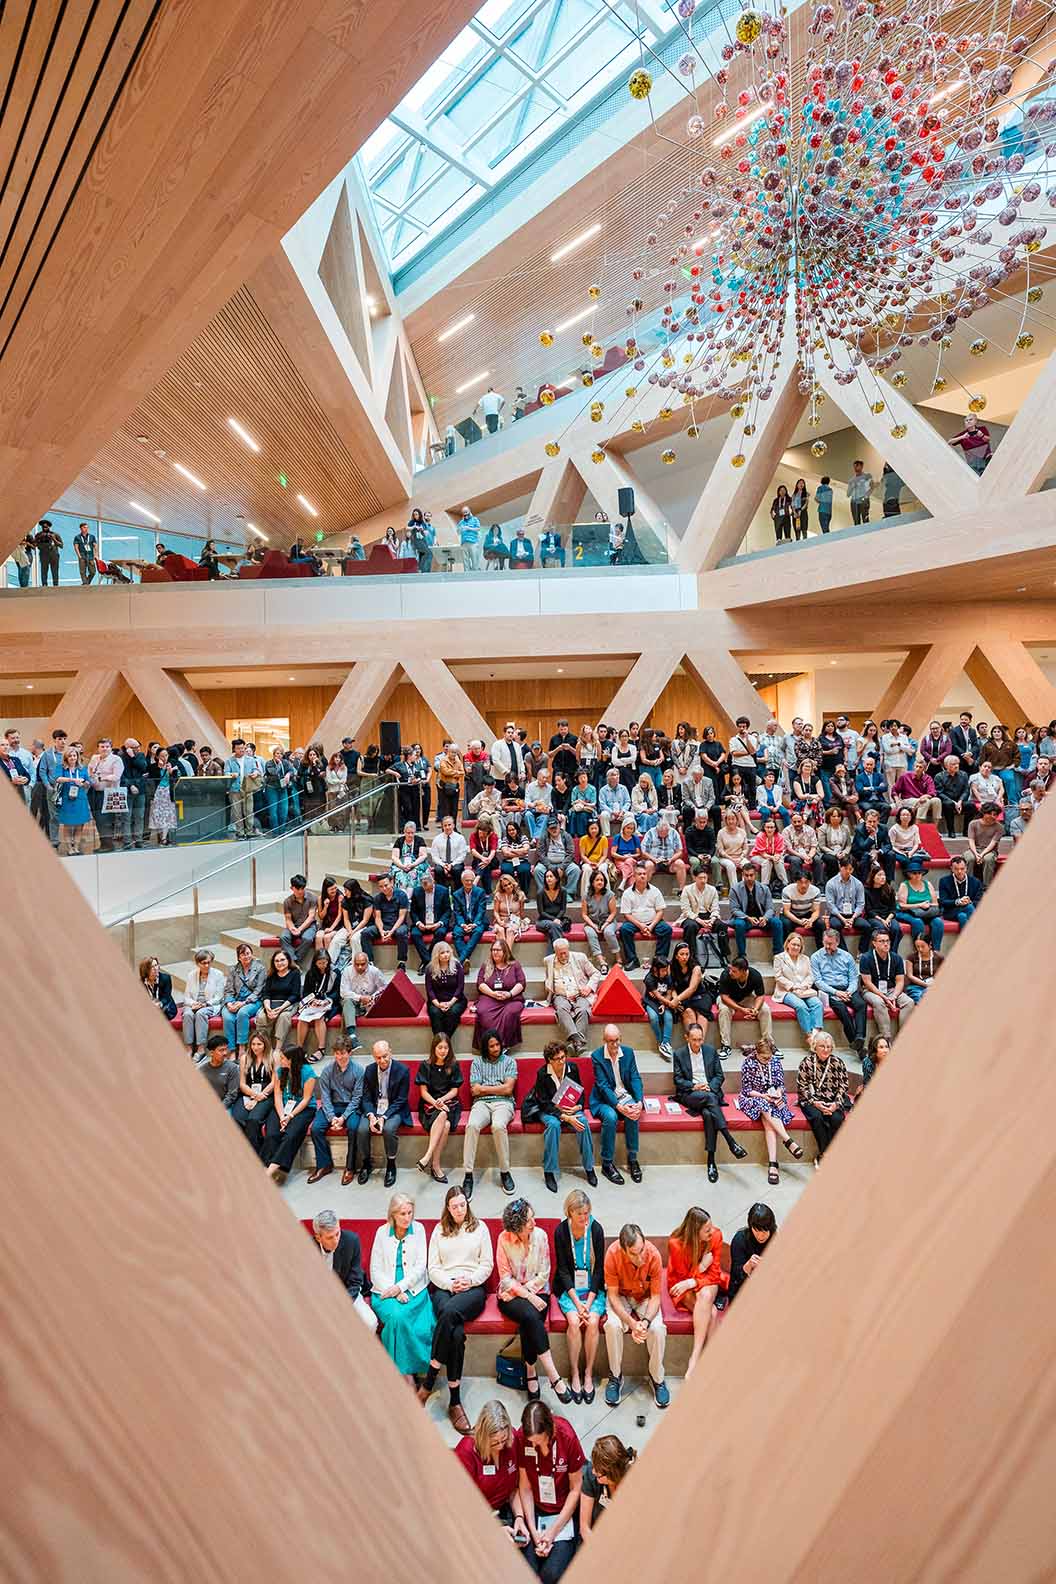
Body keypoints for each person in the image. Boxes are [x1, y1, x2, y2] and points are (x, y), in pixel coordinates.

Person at [420, 1185, 494, 1431]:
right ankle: (455, 1401)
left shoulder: (480, 1228)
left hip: (473, 1289)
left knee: (450, 1313)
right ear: (447, 1208)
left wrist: (469, 1281)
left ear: (467, 1204)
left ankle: (429, 1380)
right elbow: (433, 1267)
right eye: (454, 1206)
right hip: (444, 1287)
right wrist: (450, 1284)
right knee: (456, 1333)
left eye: (463, 1205)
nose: (460, 1210)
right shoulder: (440, 1230)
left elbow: (487, 1264)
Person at [496, 1201, 573, 1404]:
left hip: (538, 1290)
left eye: (533, 1217)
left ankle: (531, 1370)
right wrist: (526, 1295)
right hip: (511, 1296)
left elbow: (544, 1273)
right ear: (518, 1225)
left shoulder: (540, 1235)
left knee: (528, 1320)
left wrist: (524, 1291)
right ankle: (553, 1376)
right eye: (529, 1220)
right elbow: (504, 1278)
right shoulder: (503, 1239)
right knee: (530, 1315)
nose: (534, 1222)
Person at [603, 1223, 669, 1408]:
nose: (640, 1257)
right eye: (634, 1253)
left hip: (645, 1298)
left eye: (641, 1250)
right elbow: (613, 1296)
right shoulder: (612, 1254)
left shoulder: (654, 1255)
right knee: (612, 1326)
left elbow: (656, 1297)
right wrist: (632, 1324)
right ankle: (615, 1376)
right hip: (621, 1297)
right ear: (623, 1250)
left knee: (658, 1329)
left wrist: (645, 1322)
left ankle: (657, 1378)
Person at [516, 1400, 583, 1581]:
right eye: (532, 1443)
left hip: (563, 1515)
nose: (535, 1446)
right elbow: (525, 1487)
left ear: (550, 1429)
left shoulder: (566, 1436)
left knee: (551, 1575)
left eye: (539, 1441)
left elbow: (576, 1488)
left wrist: (553, 1532)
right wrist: (533, 1531)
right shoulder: (522, 1438)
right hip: (536, 1512)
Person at [672, 1021, 747, 1181]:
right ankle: (730, 1139)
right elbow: (678, 1080)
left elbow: (720, 1076)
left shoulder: (710, 1051)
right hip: (691, 1094)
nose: (698, 1043)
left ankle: (711, 1161)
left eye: (700, 1039)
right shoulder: (679, 1054)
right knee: (710, 1099)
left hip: (709, 1093)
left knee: (708, 1114)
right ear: (687, 1038)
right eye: (694, 1040)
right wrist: (694, 1086)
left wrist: (709, 1087)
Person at [370, 1193, 433, 1379]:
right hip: (384, 1289)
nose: (407, 1218)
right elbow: (375, 1269)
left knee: (408, 1320)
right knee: (396, 1316)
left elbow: (421, 1266)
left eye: (410, 1213)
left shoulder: (419, 1229)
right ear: (393, 1215)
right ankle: (404, 1376)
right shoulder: (381, 1232)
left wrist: (401, 1287)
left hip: (414, 1288)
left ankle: (407, 1371)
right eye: (402, 1214)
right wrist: (393, 1290)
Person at [524, 1039, 596, 1193]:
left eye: (564, 1057)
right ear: (549, 1060)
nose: (562, 1061)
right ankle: (549, 1171)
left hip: (571, 1107)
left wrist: (579, 1106)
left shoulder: (573, 1068)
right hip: (549, 1110)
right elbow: (544, 1103)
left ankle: (589, 1168)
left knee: (583, 1122)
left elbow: (580, 1091)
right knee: (554, 1125)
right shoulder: (542, 1074)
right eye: (558, 1059)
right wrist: (565, 1116)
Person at [553, 1190, 606, 1403]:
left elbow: (599, 1269)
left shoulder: (596, 1229)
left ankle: (588, 1374)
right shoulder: (561, 1231)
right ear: (569, 1213)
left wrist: (589, 1303)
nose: (584, 1218)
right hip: (570, 1290)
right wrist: (577, 1303)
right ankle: (574, 1372)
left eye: (587, 1213)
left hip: (593, 1289)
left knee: (593, 1322)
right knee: (574, 1322)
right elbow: (563, 1271)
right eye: (580, 1214)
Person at [454, 1400, 529, 1538]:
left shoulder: (512, 1441)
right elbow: (461, 1504)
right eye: (494, 1442)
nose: (500, 1446)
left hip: (504, 1511)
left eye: (503, 1439)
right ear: (483, 1436)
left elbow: (513, 1490)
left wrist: (519, 1517)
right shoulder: (465, 1452)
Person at [667, 1205, 726, 1375]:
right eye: (706, 1230)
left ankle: (695, 1357)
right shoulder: (676, 1244)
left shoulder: (716, 1236)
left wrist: (694, 1279)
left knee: (706, 1294)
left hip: (707, 1281)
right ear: (695, 1231)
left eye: (711, 1227)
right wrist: (700, 1267)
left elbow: (714, 1274)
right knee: (712, 1313)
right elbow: (682, 1278)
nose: (711, 1232)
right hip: (681, 1284)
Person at [738, 1037, 803, 1186]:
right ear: (756, 1053)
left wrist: (778, 1093)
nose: (767, 1060)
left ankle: (773, 1163)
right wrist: (763, 1096)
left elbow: (780, 1084)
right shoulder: (748, 1062)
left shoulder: (774, 1061)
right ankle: (788, 1140)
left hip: (773, 1098)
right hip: (754, 1097)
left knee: (768, 1124)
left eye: (769, 1057)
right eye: (764, 1058)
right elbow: (747, 1090)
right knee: (763, 1105)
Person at [462, 1032, 518, 1198]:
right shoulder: (477, 1063)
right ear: (485, 1048)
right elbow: (474, 1091)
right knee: (471, 1126)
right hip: (482, 1103)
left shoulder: (510, 1062)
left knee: (498, 1126)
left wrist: (484, 1088)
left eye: (497, 1045)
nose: (495, 1048)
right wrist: (494, 1088)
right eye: (491, 1046)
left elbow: (508, 1089)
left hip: (504, 1102)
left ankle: (505, 1172)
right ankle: (468, 1175)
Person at [589, 1024, 644, 1185]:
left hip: (624, 1095)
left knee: (633, 1112)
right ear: (604, 1040)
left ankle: (632, 1158)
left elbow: (635, 1077)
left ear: (621, 1038)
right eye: (611, 1041)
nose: (614, 1044)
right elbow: (603, 1086)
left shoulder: (628, 1052)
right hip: (604, 1099)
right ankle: (607, 1163)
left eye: (617, 1040)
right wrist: (619, 1106)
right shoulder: (597, 1056)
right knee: (611, 1117)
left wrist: (639, 1101)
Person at [307, 1037, 363, 1185]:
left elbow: (357, 1098)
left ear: (349, 1053)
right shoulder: (327, 1071)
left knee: (353, 1128)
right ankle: (324, 1165)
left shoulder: (358, 1071)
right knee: (316, 1128)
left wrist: (343, 1118)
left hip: (351, 1107)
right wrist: (332, 1117)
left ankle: (350, 1167)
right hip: (332, 1105)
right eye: (337, 1053)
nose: (340, 1057)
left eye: (343, 1053)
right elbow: (325, 1096)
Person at [355, 1040, 411, 1187]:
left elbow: (401, 1100)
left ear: (390, 1052)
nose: (382, 1060)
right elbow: (366, 1097)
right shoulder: (369, 1070)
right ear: (374, 1057)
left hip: (394, 1108)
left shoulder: (403, 1070)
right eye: (378, 1057)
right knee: (361, 1129)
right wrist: (372, 1116)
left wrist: (384, 1117)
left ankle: (391, 1164)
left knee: (388, 1129)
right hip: (374, 1107)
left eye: (385, 1056)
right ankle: (366, 1163)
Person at [312, 1209, 376, 1330]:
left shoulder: (351, 1241)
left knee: (371, 1323)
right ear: (318, 1238)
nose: (336, 1240)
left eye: (337, 1233)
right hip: (320, 1298)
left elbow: (355, 1282)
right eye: (330, 1237)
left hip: (347, 1293)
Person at [264, 1044, 318, 1183]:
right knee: (272, 1133)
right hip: (282, 1107)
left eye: (283, 1058)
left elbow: (306, 1100)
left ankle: (269, 1171)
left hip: (302, 1109)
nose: (280, 1060)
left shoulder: (308, 1073)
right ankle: (277, 1169)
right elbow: (277, 1095)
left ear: (292, 1060)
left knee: (291, 1135)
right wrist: (282, 1116)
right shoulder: (280, 1071)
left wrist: (290, 1116)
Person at [797, 1031, 850, 1167]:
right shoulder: (807, 1063)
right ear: (815, 1047)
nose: (826, 1050)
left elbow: (843, 1085)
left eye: (828, 1047)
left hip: (832, 1100)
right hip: (811, 1100)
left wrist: (836, 1104)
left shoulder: (838, 1063)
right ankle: (824, 1154)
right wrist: (816, 1103)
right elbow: (802, 1088)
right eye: (822, 1046)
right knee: (817, 1118)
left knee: (837, 1118)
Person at [414, 1034, 462, 1184]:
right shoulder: (426, 1065)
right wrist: (435, 1102)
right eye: (440, 1047)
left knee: (445, 1118)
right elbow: (423, 1092)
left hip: (449, 1103)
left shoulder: (453, 1065)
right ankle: (435, 1164)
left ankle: (428, 1158)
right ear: (434, 1048)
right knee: (444, 1123)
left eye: (446, 1047)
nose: (443, 1051)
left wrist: (443, 1100)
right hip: (429, 1104)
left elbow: (455, 1091)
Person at [811, 929, 867, 1056]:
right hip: (829, 991)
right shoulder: (815, 957)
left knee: (861, 1005)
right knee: (842, 1010)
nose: (827, 946)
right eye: (825, 943)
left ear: (837, 942)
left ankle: (859, 1037)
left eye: (830, 944)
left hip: (848, 989)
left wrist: (848, 992)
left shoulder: (847, 956)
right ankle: (858, 1046)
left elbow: (853, 978)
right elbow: (818, 981)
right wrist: (836, 992)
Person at [544, 939, 600, 1054]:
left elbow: (595, 973)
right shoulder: (548, 961)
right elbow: (548, 979)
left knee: (583, 1010)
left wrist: (588, 987)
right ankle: (578, 1041)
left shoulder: (580, 958)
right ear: (555, 952)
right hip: (560, 995)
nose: (564, 956)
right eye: (560, 954)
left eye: (565, 952)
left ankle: (573, 1042)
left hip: (580, 993)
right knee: (561, 1009)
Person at [231, 1030, 281, 1158]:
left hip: (266, 1094)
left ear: (265, 1044)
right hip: (248, 1093)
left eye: (259, 1044)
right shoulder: (244, 1058)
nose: (255, 1047)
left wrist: (259, 1098)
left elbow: (275, 1081)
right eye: (253, 1044)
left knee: (253, 1120)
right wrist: (253, 1095)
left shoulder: (274, 1056)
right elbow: (242, 1083)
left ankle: (257, 1156)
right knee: (237, 1118)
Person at [858, 928, 914, 1038]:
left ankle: (902, 1037)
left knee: (909, 1002)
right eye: (882, 941)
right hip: (871, 991)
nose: (886, 944)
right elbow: (867, 982)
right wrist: (883, 997)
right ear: (874, 943)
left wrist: (893, 996)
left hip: (891, 990)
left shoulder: (896, 958)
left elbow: (900, 981)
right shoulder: (866, 958)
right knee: (879, 1003)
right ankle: (886, 1037)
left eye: (887, 941)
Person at [474, 938, 527, 1052]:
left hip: (511, 999)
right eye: (493, 950)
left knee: (510, 1013)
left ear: (505, 951)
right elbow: (480, 983)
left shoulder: (514, 965)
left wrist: (509, 994)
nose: (495, 952)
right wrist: (493, 994)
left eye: (498, 950)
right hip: (490, 997)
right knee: (483, 1012)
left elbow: (521, 983)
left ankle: (502, 1045)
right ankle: (489, 1045)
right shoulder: (486, 965)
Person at [617, 863, 671, 968]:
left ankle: (660, 959)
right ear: (634, 876)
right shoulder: (627, 893)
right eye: (639, 874)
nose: (642, 876)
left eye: (644, 874)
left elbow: (660, 911)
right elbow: (627, 914)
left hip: (653, 921)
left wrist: (650, 926)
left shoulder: (655, 891)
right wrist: (640, 925)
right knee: (624, 930)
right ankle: (632, 960)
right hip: (635, 922)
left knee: (666, 929)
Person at [715, 955, 772, 1054]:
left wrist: (756, 1009)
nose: (730, 972)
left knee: (765, 1009)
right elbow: (724, 997)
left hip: (746, 998)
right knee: (724, 1010)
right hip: (728, 999)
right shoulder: (725, 974)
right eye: (731, 970)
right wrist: (740, 1009)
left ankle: (768, 1043)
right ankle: (726, 1045)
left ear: (744, 971)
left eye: (734, 971)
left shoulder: (755, 975)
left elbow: (760, 996)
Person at [773, 931, 825, 1037]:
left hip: (804, 990)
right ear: (787, 944)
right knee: (801, 1006)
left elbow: (810, 976)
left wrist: (804, 986)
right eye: (793, 944)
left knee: (818, 1004)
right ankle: (809, 1036)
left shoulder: (805, 958)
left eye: (798, 945)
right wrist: (793, 986)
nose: (796, 947)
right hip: (786, 991)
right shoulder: (779, 958)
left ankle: (817, 1034)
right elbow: (778, 977)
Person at [221, 941, 266, 1055]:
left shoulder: (260, 968)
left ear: (252, 954)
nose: (246, 956)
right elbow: (228, 989)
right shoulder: (233, 970)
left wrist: (243, 1003)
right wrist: (229, 1003)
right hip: (235, 1000)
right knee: (228, 1017)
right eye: (243, 954)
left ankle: (242, 1047)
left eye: (248, 953)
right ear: (239, 957)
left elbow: (258, 990)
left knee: (242, 1013)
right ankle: (231, 1050)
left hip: (253, 1001)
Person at [181, 947, 225, 1058]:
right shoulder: (191, 975)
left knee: (201, 1013)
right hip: (194, 1004)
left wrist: (205, 1004)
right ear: (197, 963)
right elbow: (186, 997)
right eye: (203, 963)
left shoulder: (218, 974)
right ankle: (189, 1048)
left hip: (210, 1004)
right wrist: (193, 1004)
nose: (207, 965)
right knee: (187, 1014)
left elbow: (219, 997)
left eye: (209, 962)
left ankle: (201, 1048)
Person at [728, 1202, 777, 1302]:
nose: (760, 1236)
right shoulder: (740, 1240)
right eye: (757, 1230)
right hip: (742, 1291)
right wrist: (748, 1266)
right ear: (751, 1227)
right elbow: (735, 1277)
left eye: (764, 1231)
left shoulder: (775, 1238)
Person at [294, 948, 339, 1052]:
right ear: (315, 963)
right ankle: (299, 1048)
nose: (323, 965)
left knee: (319, 1018)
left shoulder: (335, 972)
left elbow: (337, 992)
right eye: (320, 963)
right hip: (314, 1003)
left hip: (329, 1002)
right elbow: (306, 992)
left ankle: (321, 1048)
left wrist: (326, 1001)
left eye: (325, 963)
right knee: (302, 1019)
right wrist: (312, 1001)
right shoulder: (311, 973)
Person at [52, 747, 96, 855]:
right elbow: (57, 778)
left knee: (80, 824)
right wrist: (72, 780)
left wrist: (86, 783)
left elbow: (88, 782)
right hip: (67, 799)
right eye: (70, 756)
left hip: (80, 799)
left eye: (74, 755)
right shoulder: (61, 767)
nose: (72, 758)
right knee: (67, 824)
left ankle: (76, 846)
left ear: (77, 757)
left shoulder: (82, 768)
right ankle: (69, 848)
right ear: (66, 757)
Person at [894, 857, 945, 949]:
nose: (917, 875)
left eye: (919, 873)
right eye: (914, 873)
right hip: (907, 912)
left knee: (938, 922)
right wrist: (919, 905)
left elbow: (936, 904)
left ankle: (935, 950)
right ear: (909, 874)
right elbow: (902, 905)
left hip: (926, 912)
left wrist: (927, 905)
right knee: (918, 922)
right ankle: (918, 950)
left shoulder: (928, 884)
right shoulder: (904, 885)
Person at [338, 950, 385, 1046]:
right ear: (353, 963)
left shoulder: (374, 971)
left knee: (345, 1012)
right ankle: (352, 1036)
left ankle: (346, 1040)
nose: (359, 967)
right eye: (357, 964)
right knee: (347, 1001)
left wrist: (372, 997)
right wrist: (360, 998)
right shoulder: (347, 971)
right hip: (353, 1002)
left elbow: (383, 987)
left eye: (362, 964)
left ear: (367, 963)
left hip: (370, 1002)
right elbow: (343, 992)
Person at [362, 873, 409, 968]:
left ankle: (401, 962)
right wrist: (381, 931)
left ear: (392, 882)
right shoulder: (378, 898)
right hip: (384, 925)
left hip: (398, 925)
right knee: (365, 933)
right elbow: (378, 917)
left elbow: (401, 917)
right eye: (381, 886)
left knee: (401, 933)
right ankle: (370, 962)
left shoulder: (402, 895)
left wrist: (391, 932)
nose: (384, 888)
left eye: (386, 885)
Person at [408, 871, 451, 971]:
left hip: (437, 922)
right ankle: (429, 961)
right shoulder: (417, 891)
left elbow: (447, 911)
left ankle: (426, 961)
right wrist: (418, 923)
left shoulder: (443, 891)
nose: (426, 889)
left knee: (441, 933)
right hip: (422, 923)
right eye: (424, 887)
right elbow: (413, 911)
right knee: (415, 934)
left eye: (428, 887)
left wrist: (439, 923)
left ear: (433, 882)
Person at [824, 855, 867, 940]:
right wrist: (843, 919)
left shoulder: (858, 884)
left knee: (867, 926)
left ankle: (862, 951)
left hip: (853, 914)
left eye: (850, 869)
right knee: (835, 925)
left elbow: (861, 904)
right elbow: (830, 905)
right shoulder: (831, 883)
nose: (848, 871)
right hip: (837, 915)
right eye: (845, 868)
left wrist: (853, 918)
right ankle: (844, 951)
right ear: (840, 866)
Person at [451, 868, 488, 966]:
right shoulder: (456, 894)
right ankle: (465, 960)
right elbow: (457, 912)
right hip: (463, 922)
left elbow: (481, 911)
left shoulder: (480, 892)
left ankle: (461, 961)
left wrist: (474, 924)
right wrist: (462, 924)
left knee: (478, 932)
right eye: (467, 880)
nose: (469, 882)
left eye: (471, 880)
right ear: (462, 881)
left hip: (476, 921)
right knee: (456, 933)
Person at [938, 854, 982, 928]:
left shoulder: (975, 882)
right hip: (951, 911)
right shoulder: (944, 881)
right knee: (969, 907)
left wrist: (969, 902)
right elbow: (943, 901)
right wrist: (958, 902)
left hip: (967, 910)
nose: (959, 871)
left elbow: (979, 900)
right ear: (951, 869)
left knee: (962, 916)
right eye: (956, 869)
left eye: (962, 868)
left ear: (966, 868)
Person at [966, 803, 1003, 887]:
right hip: (974, 849)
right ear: (983, 813)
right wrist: (976, 854)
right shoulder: (973, 824)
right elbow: (971, 840)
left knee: (988, 859)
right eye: (990, 814)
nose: (993, 816)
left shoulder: (999, 827)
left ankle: (987, 886)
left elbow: (993, 843)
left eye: (995, 814)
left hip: (990, 850)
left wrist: (982, 855)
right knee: (969, 858)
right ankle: (969, 885)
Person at [905, 934, 943, 1004]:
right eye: (917, 947)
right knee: (920, 998)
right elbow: (910, 976)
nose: (920, 949)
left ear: (930, 945)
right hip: (916, 986)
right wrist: (926, 984)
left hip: (933, 985)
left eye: (923, 946)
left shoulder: (939, 957)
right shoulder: (911, 957)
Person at [140, 955, 177, 1020]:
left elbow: (166, 997)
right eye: (152, 967)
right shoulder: (141, 982)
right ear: (146, 969)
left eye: (156, 965)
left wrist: (159, 1004)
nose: (156, 968)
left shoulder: (165, 978)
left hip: (165, 1008)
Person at [846, 459, 873, 523]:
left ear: (862, 466)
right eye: (854, 466)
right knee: (856, 522)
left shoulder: (867, 476)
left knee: (865, 520)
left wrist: (866, 497)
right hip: (854, 502)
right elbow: (848, 494)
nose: (855, 468)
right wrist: (852, 486)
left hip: (864, 501)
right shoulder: (851, 480)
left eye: (857, 466)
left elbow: (872, 487)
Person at [458, 505, 483, 571]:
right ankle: (466, 575)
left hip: (473, 542)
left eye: (466, 512)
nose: (465, 513)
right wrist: (460, 530)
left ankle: (475, 575)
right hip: (464, 543)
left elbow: (478, 528)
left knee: (474, 560)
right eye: (463, 512)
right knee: (465, 560)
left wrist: (469, 528)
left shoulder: (475, 519)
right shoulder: (461, 522)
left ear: (469, 511)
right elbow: (458, 531)